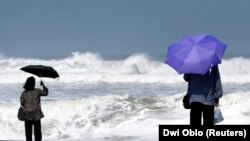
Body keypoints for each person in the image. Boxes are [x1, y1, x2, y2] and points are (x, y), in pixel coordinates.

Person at [20, 77, 48, 141]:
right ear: (33, 84)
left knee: (28, 133)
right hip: (36, 115)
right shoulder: (37, 91)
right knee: (37, 132)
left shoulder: (24, 93)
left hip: (27, 115)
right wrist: (43, 85)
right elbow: (45, 93)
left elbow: (22, 103)